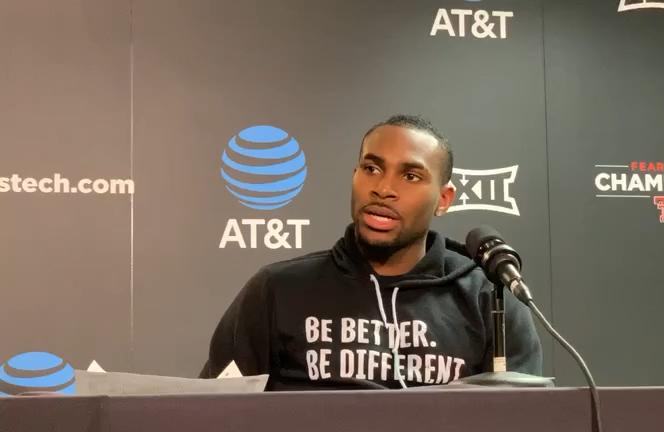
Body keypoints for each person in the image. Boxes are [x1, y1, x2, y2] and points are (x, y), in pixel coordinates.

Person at [199, 114, 543, 390]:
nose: (383, 188)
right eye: (371, 169)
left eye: (410, 176)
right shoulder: (276, 290)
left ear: (444, 199)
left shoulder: (490, 300)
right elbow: (217, 423)